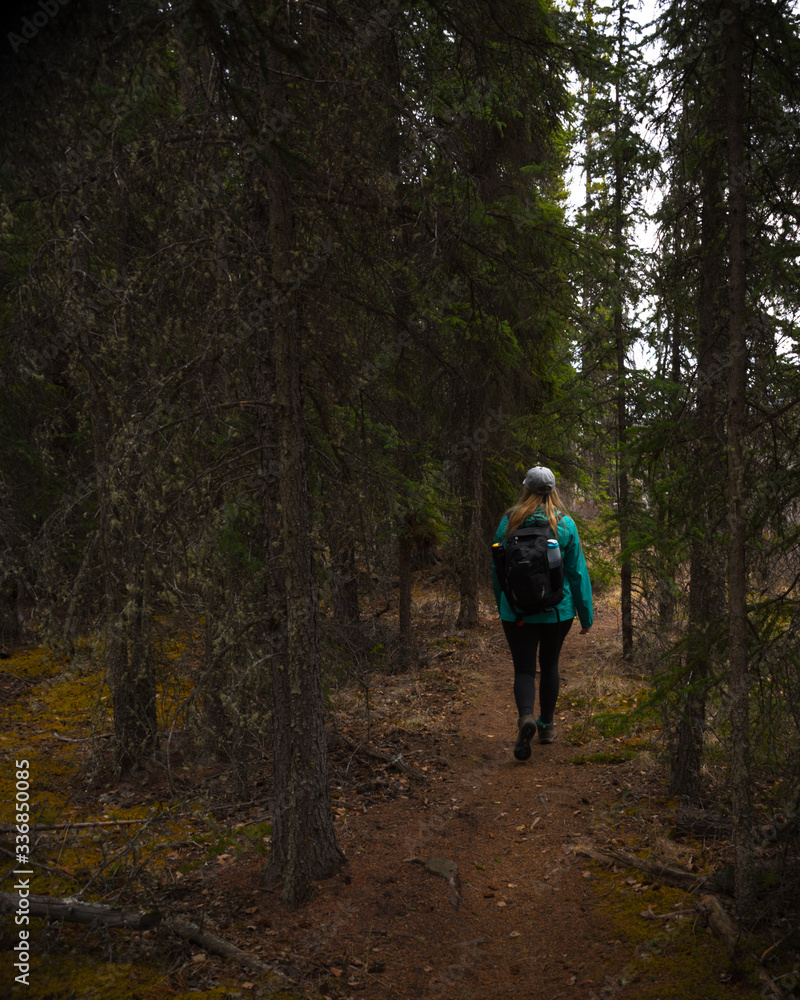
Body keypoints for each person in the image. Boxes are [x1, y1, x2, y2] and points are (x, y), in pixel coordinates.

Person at [491, 466, 593, 761]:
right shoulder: (564, 524)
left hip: (517, 611)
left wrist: (503, 604)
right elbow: (577, 573)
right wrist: (585, 615)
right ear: (553, 491)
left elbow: (499, 568)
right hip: (557, 611)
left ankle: (526, 717)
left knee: (524, 669)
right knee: (550, 665)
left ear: (526, 488)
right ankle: (546, 726)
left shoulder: (509, 522)